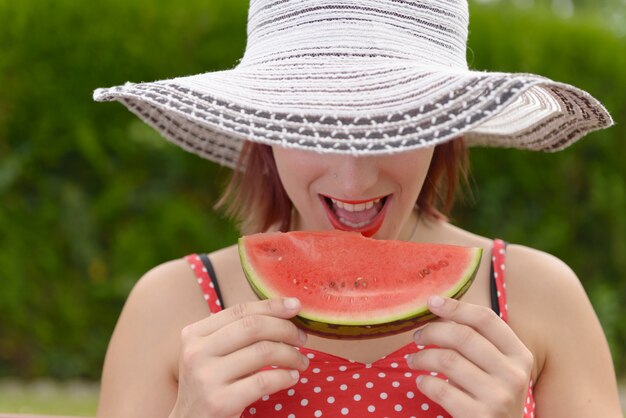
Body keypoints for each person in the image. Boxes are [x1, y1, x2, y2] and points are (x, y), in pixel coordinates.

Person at [93, 0, 623, 417]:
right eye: (313, 123)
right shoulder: (168, 306)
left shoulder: (542, 296)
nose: (354, 178)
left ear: (443, 126)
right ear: (263, 128)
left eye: (393, 123)